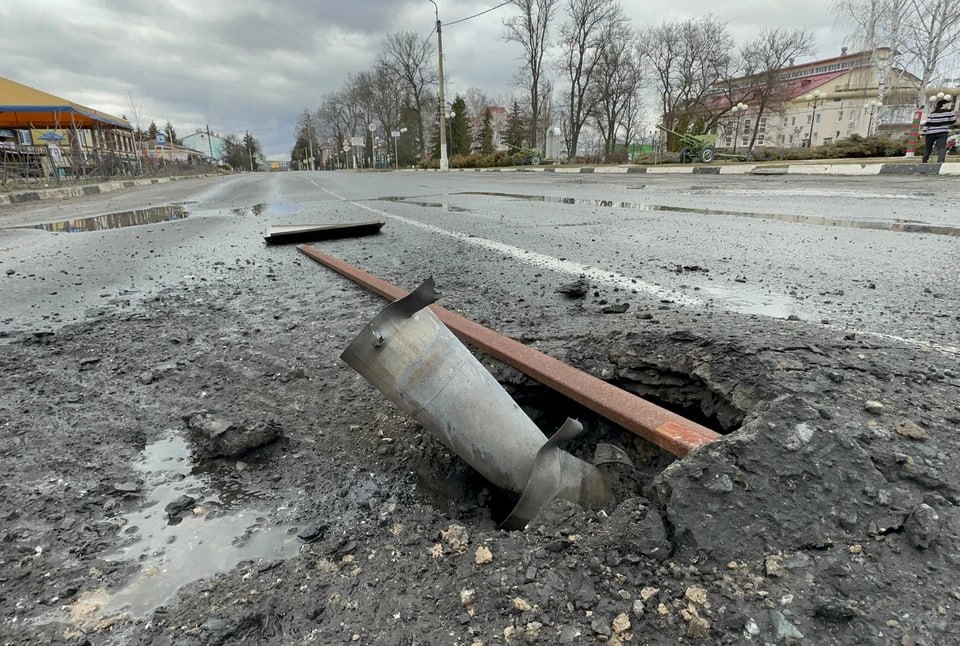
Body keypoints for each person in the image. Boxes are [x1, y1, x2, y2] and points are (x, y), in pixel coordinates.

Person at [921, 98, 956, 163]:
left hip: (930, 132)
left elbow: (927, 123)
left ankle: (924, 160)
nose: (949, 105)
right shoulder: (949, 112)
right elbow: (953, 120)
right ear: (943, 104)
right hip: (942, 132)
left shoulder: (933, 113)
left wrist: (924, 131)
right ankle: (940, 160)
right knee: (942, 147)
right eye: (947, 104)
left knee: (928, 148)